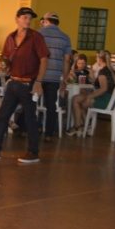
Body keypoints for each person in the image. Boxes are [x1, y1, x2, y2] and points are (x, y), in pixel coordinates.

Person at [0, 7, 50, 163]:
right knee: (3, 115)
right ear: (17, 19)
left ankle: (33, 152)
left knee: (30, 118)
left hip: (29, 83)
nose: (28, 20)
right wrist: (0, 63)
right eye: (25, 17)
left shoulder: (36, 37)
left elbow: (44, 59)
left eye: (30, 18)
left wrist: (38, 82)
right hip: (13, 81)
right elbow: (7, 59)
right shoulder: (10, 37)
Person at [37, 12, 72, 142]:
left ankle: (29, 130)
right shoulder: (65, 37)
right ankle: (49, 134)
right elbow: (67, 60)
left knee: (32, 102)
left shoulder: (38, 34)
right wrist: (65, 78)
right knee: (51, 105)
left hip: (38, 76)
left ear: (46, 21)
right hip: (54, 77)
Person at [68, 50, 115, 136]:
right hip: (112, 99)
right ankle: (86, 126)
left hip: (105, 100)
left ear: (99, 59)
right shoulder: (112, 71)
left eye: (97, 57)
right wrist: (92, 79)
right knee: (79, 99)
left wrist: (89, 96)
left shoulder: (103, 72)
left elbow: (103, 89)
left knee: (75, 99)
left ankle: (77, 127)